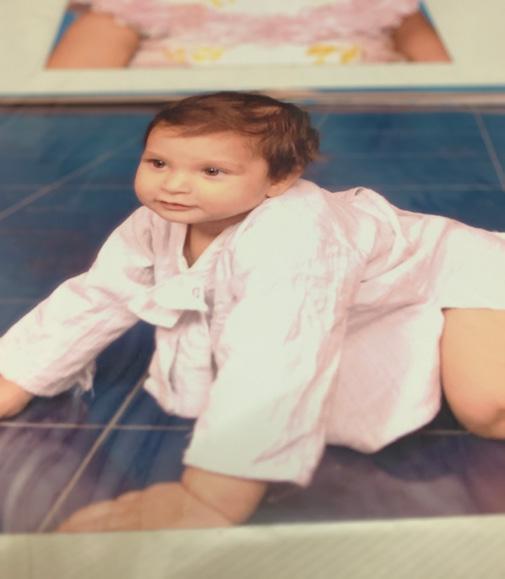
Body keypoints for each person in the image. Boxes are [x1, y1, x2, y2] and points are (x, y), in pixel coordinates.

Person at [1, 91, 504, 533]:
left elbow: (274, 355)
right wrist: (15, 376)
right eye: (158, 163)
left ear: (280, 178)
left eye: (211, 171)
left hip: (456, 272)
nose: (174, 185)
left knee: (486, 407)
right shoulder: (155, 222)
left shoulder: (295, 235)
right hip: (372, 288)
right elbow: (97, 294)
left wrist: (214, 494)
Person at [46, 0, 450, 69]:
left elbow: (458, 90)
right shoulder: (129, 8)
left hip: (355, 163)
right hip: (186, 170)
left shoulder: (383, 8)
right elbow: (66, 101)